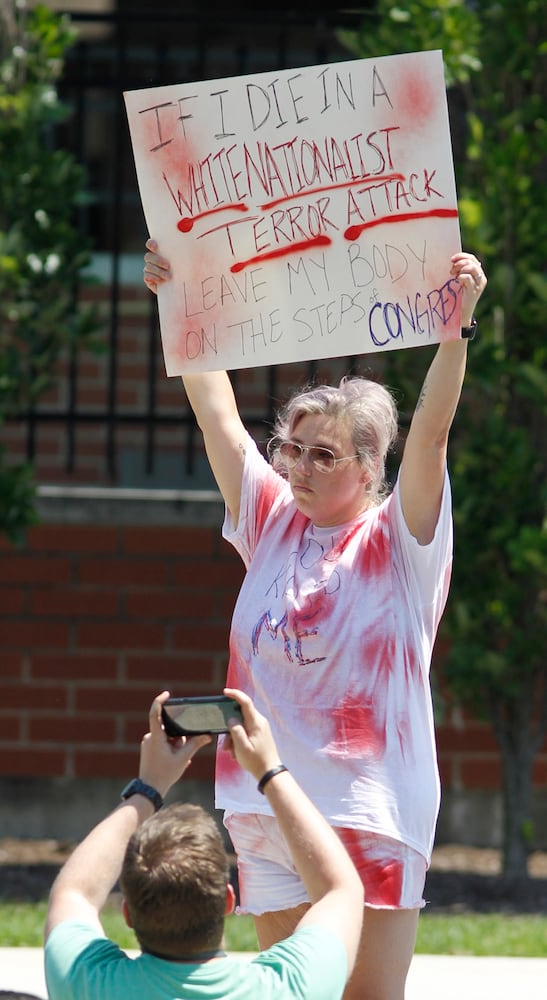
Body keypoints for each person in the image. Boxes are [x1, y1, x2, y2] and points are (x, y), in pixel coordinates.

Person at [143, 239, 487, 1000]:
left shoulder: (400, 540)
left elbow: (429, 433)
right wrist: (178, 297)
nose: (295, 466)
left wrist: (453, 326)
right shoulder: (270, 516)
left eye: (320, 455)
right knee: (289, 995)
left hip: (369, 805)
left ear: (369, 468)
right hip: (264, 798)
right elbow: (215, 411)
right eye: (291, 449)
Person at [44, 688, 364, 1000]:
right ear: (227, 901)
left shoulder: (88, 983)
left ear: (128, 914)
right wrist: (269, 770)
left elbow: (75, 894)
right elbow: (341, 890)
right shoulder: (288, 989)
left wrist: (148, 788)